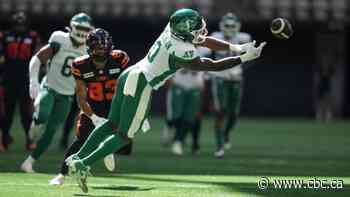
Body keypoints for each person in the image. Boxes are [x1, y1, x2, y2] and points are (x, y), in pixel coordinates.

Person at [68, 8, 265, 193]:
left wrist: (236, 46)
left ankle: (77, 157)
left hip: (130, 74)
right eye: (197, 29)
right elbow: (211, 65)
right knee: (124, 136)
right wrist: (243, 58)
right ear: (186, 31)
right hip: (143, 84)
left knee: (111, 123)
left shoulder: (172, 29)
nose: (201, 32)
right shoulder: (182, 50)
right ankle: (82, 164)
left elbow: (203, 40)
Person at [49, 28, 131, 185]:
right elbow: (81, 97)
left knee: (125, 144)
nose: (101, 50)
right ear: (90, 47)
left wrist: (133, 108)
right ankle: (62, 174)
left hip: (116, 104)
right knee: (81, 140)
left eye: (104, 46)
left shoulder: (120, 58)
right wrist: (94, 118)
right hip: (93, 106)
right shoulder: (81, 65)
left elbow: (130, 86)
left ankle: (105, 146)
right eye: (98, 47)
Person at [20, 13, 94, 173]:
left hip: (67, 96)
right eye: (79, 28)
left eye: (85, 29)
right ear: (72, 27)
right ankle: (35, 123)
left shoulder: (88, 49)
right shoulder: (60, 39)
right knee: (43, 116)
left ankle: (29, 162)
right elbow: (37, 58)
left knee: (51, 131)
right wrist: (33, 81)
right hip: (50, 88)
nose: (81, 32)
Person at [207, 13, 252, 157]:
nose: (230, 28)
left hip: (236, 79)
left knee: (233, 114)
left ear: (238, 27)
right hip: (219, 77)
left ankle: (226, 134)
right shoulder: (216, 36)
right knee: (220, 111)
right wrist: (209, 70)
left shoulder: (244, 38)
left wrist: (240, 69)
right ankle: (219, 146)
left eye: (232, 26)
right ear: (222, 26)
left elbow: (250, 58)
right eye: (227, 26)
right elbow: (206, 53)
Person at [0, 11, 41, 150]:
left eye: (21, 24)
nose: (19, 27)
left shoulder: (33, 36)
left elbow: (38, 56)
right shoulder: (4, 36)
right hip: (8, 79)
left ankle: (29, 141)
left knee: (26, 114)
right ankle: (4, 140)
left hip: (25, 79)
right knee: (7, 113)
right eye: (17, 24)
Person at [169, 70, 204, 155]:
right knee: (176, 117)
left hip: (195, 87)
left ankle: (178, 141)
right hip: (179, 85)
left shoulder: (202, 56)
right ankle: (175, 135)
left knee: (190, 118)